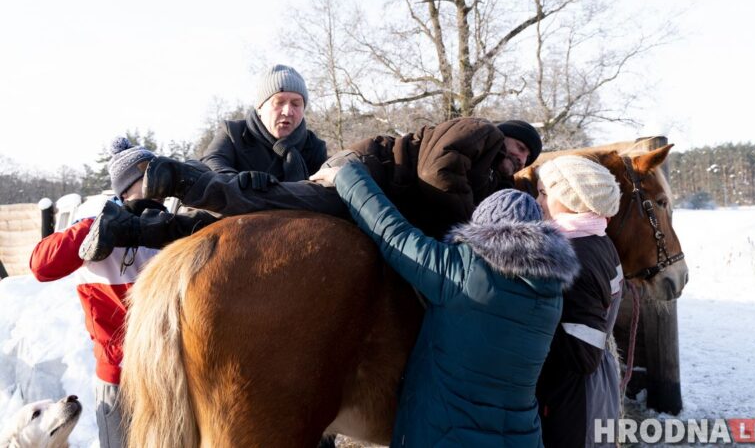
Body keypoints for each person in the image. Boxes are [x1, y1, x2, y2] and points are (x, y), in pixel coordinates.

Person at [312, 161, 579, 447]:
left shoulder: (462, 271)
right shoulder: (552, 293)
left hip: (447, 435)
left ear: (484, 229)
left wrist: (347, 176)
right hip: (522, 436)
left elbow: (394, 234)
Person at [143, 116, 542, 239]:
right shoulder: (480, 132)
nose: (518, 155)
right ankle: (186, 180)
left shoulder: (496, 181)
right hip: (369, 171)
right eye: (518, 145)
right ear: (503, 134)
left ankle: (166, 229)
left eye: (525, 155)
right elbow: (436, 171)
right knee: (297, 202)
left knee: (278, 229)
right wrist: (467, 226)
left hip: (382, 200)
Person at [80, 64, 325, 261]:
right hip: (232, 219)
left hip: (288, 227)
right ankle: (128, 227)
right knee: (204, 211)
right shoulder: (233, 132)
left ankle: (146, 213)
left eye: (296, 104)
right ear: (260, 107)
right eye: (279, 102)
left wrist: (256, 192)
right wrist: (238, 181)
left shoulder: (314, 147)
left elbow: (316, 196)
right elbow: (212, 162)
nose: (287, 111)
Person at [29, 139, 164, 448]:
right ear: (127, 187)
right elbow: (40, 265)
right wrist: (98, 227)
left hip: (168, 375)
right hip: (118, 377)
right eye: (150, 176)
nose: (161, 183)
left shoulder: (172, 225)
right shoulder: (99, 227)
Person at [533, 155, 623, 448]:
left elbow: (582, 354)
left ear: (570, 199)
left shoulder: (573, 256)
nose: (537, 200)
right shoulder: (599, 238)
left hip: (572, 402)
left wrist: (531, 321)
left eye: (545, 193)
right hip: (594, 388)